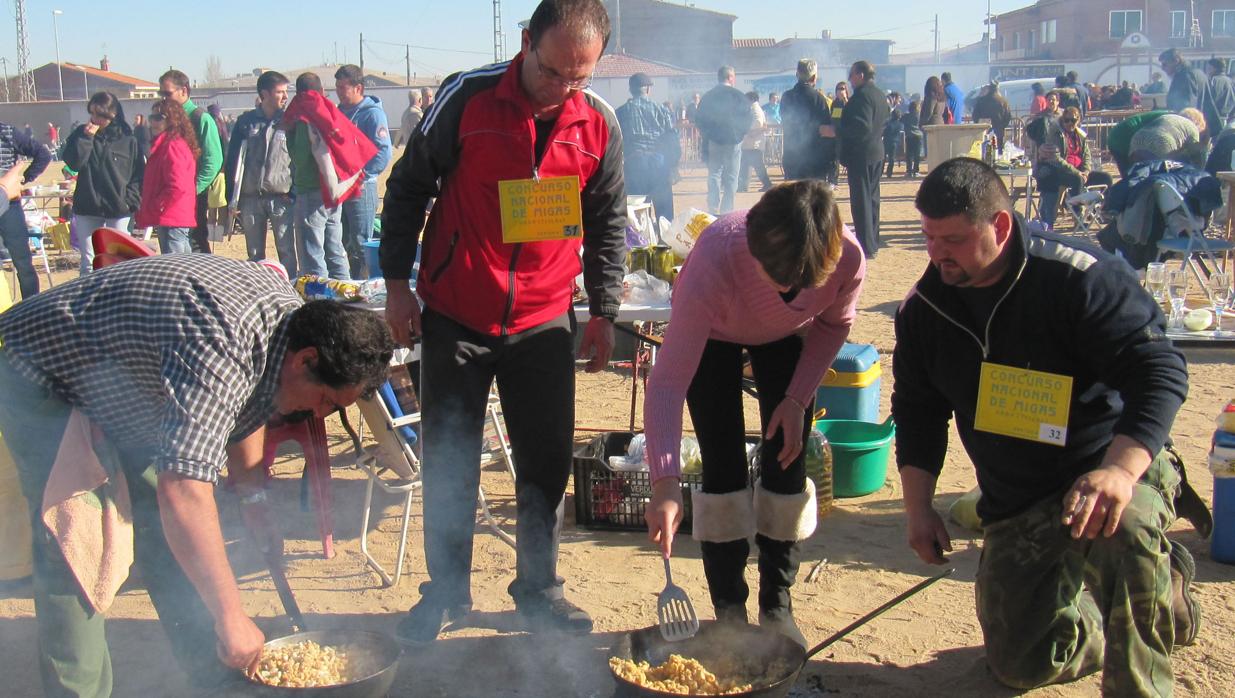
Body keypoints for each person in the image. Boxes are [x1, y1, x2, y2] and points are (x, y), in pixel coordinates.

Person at [0, 255, 394, 697]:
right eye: (326, 400)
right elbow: (184, 490)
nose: (318, 414)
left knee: (167, 536)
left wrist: (253, 498)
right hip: (43, 374)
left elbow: (251, 406)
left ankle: (213, 677)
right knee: (77, 546)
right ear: (306, 361)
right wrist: (231, 616)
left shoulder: (292, 326)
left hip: (130, 393)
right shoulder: (221, 348)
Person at [892, 156, 1199, 697]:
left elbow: (1160, 369)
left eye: (954, 240)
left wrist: (1121, 473)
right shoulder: (925, 310)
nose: (937, 253)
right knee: (1020, 663)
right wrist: (919, 509)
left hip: (1107, 465)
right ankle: (1105, 621)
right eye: (928, 237)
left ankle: (1146, 639)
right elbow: (918, 410)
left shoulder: (1077, 276)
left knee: (1124, 530)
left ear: (1001, 226)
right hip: (1017, 495)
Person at [380, 0, 626, 643]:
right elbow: (407, 188)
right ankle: (447, 593)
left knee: (543, 463)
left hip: (544, 320)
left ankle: (539, 591)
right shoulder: (468, 98)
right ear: (526, 43)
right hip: (457, 312)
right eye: (553, 72)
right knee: (452, 459)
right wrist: (397, 287)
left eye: (582, 76)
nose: (564, 89)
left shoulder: (598, 124)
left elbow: (607, 223)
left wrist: (603, 310)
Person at [643, 181, 864, 648]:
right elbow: (666, 383)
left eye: (800, 283)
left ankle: (777, 604)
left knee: (786, 457)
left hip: (787, 339)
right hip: (715, 334)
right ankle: (728, 610)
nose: (786, 288)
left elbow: (834, 324)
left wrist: (796, 399)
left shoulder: (847, 258)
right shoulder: (716, 260)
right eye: (776, 275)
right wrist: (665, 485)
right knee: (722, 466)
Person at [62, 92, 143, 275]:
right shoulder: (81, 133)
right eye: (92, 113)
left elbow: (138, 174)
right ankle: (88, 299)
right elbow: (74, 163)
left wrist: (130, 200)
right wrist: (86, 139)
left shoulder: (128, 139)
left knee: (120, 260)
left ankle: (119, 295)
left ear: (112, 114)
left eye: (99, 115)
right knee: (89, 262)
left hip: (118, 206)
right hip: (87, 204)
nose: (94, 119)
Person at [224, 71, 296, 275]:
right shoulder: (246, 122)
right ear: (264, 94)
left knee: (287, 250)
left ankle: (290, 289)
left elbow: (299, 158)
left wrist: (293, 192)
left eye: (286, 91)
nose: (285, 96)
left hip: (281, 198)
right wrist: (232, 198)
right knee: (255, 254)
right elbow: (233, 160)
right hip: (250, 198)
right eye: (279, 92)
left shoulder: (290, 121)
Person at [286, 72, 351, 280]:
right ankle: (347, 300)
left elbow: (301, 157)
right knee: (335, 251)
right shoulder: (333, 114)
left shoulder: (304, 118)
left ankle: (319, 303)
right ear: (323, 92)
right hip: (334, 192)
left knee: (312, 256)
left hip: (311, 191)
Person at [335, 65, 393, 280]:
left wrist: (361, 176)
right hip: (339, 187)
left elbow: (383, 153)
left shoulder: (372, 114)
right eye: (337, 87)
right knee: (341, 239)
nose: (339, 92)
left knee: (361, 241)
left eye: (344, 87)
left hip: (361, 188)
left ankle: (365, 283)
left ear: (358, 87)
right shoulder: (338, 113)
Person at [158, 70, 224, 253]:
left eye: (167, 93)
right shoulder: (165, 120)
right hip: (168, 196)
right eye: (161, 94)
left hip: (191, 197)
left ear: (184, 91)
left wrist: (192, 190)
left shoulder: (200, 118)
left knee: (195, 246)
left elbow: (213, 161)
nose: (164, 99)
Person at [838, 60, 890, 258]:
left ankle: (866, 246)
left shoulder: (861, 97)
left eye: (851, 75)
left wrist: (836, 130)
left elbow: (861, 126)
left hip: (861, 153)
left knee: (861, 202)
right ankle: (873, 241)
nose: (849, 80)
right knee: (873, 198)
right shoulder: (879, 94)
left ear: (860, 74)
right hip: (877, 151)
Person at [136, 99, 201, 254]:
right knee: (182, 268)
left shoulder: (172, 146)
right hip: (172, 216)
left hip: (173, 216)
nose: (153, 122)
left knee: (177, 271)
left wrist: (159, 205)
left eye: (159, 118)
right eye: (152, 118)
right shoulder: (168, 144)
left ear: (172, 120)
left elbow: (177, 185)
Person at [1033, 107, 1113, 227]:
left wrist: (1086, 171)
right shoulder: (1056, 134)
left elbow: (1087, 156)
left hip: (1080, 171)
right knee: (1077, 179)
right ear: (1063, 120)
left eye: (1073, 120)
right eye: (1067, 120)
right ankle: (1078, 218)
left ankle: (1105, 211)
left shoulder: (1080, 135)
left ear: (1078, 120)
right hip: (1061, 171)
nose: (1070, 123)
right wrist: (1077, 172)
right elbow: (1056, 158)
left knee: (1106, 178)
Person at [615, 72, 678, 220]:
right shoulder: (662, 110)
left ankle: (641, 240)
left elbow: (615, 141)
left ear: (631, 90)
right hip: (658, 162)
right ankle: (664, 238)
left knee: (637, 208)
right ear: (648, 89)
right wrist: (673, 164)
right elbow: (672, 139)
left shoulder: (621, 112)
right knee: (664, 208)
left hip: (634, 162)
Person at [0, 121, 52, 299]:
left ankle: (31, 306)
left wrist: (24, 178)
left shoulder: (7, 132)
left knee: (23, 263)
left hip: (10, 206)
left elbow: (42, 154)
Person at [696, 65, 754, 215]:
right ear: (730, 78)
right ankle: (727, 208)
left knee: (714, 172)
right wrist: (741, 133)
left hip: (714, 140)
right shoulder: (739, 96)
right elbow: (748, 117)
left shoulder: (708, 97)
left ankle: (713, 206)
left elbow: (699, 118)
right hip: (734, 141)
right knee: (732, 175)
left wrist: (707, 134)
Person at [779, 58, 832, 181]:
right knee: (813, 198)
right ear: (814, 78)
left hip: (791, 157)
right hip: (815, 159)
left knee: (793, 197)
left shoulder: (787, 96)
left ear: (797, 74)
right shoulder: (819, 99)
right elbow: (826, 129)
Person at [1107, 109, 1170, 176]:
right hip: (1126, 135)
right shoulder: (1172, 119)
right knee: (1137, 174)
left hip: (1115, 136)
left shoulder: (1167, 115)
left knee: (1130, 176)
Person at [738, 91, 772, 193]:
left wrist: (747, 130)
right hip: (753, 143)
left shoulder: (755, 109)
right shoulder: (754, 108)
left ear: (751, 99)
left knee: (754, 166)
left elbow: (757, 123)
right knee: (747, 165)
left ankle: (767, 184)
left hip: (753, 143)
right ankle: (744, 186)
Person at [1160, 48, 1206, 113]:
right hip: (1200, 119)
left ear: (1176, 61)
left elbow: (1187, 109)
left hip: (1188, 120)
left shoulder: (1185, 76)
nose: (1162, 68)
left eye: (1164, 64)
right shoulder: (1198, 73)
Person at [972, 82, 1012, 153]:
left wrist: (980, 125)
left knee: (983, 151)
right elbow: (1008, 117)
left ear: (989, 89)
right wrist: (1002, 126)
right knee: (998, 152)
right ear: (997, 89)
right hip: (999, 131)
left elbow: (975, 116)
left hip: (984, 130)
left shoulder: (981, 100)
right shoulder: (1003, 101)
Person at [1203, 57, 1235, 139]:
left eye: (1209, 68)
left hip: (1216, 119)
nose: (1207, 71)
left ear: (1215, 69)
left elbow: (1209, 100)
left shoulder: (1213, 80)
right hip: (1229, 118)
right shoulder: (1230, 81)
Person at [882, 100, 904, 178]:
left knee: (883, 158)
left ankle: (880, 172)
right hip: (895, 142)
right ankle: (889, 173)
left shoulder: (888, 123)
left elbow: (883, 131)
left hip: (886, 141)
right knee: (891, 159)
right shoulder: (900, 125)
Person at [902, 101, 923, 177]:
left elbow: (900, 120)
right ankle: (916, 171)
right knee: (917, 155)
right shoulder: (919, 116)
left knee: (909, 155)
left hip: (909, 136)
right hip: (918, 136)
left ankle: (909, 171)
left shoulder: (905, 116)